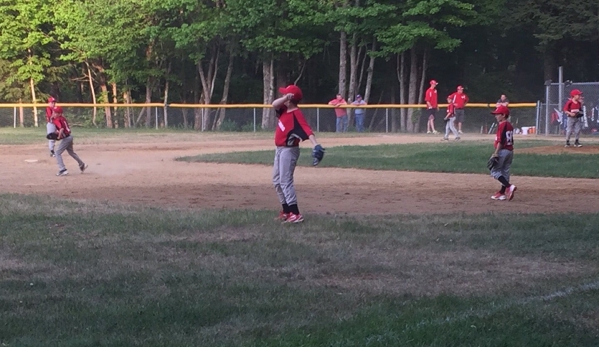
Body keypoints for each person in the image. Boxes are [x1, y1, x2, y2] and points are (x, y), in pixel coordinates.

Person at [272, 85, 322, 223]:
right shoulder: (283, 110)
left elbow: (307, 130)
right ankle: (287, 211)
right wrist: (284, 98)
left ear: (290, 99)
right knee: (276, 181)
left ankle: (295, 213)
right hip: (279, 149)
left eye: (285, 95)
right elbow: (273, 104)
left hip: (289, 151)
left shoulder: (296, 114)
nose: (282, 97)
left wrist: (316, 144)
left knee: (285, 181)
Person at [489, 105, 517, 201]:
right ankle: (502, 193)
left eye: (498, 114)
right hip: (510, 150)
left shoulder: (502, 125)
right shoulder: (509, 125)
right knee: (505, 171)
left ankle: (509, 186)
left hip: (503, 150)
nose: (496, 116)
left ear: (504, 115)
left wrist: (496, 153)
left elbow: (501, 141)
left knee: (494, 171)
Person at [50, 106, 88, 176]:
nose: (53, 113)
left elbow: (61, 129)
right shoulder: (62, 118)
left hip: (66, 139)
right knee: (71, 152)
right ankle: (82, 164)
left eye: (55, 113)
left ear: (59, 114)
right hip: (69, 137)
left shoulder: (58, 119)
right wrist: (57, 133)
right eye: (53, 112)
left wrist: (58, 137)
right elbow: (62, 129)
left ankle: (63, 170)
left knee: (57, 153)